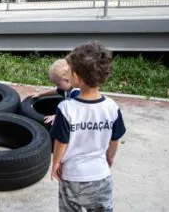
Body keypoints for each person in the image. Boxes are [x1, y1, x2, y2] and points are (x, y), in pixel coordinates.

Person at [50, 41, 126, 212]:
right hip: (101, 176)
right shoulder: (112, 107)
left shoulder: (66, 108)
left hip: (72, 176)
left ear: (76, 77)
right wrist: (110, 157)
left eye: (69, 70)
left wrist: (55, 163)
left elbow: (61, 142)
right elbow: (115, 139)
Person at [28, 58, 80, 124]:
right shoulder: (67, 88)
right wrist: (40, 94)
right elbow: (56, 91)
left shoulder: (77, 93)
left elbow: (74, 110)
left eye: (58, 84)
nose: (57, 86)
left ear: (67, 80)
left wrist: (57, 116)